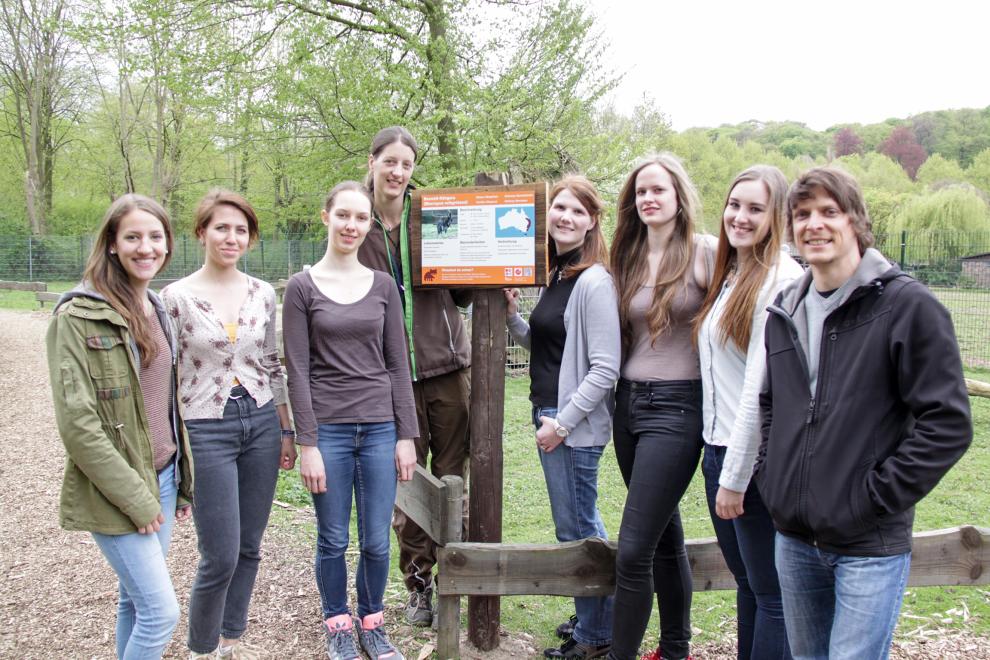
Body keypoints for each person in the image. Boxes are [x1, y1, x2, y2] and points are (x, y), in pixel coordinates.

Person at [755, 167, 972, 659]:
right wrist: (772, 474)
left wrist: (873, 497)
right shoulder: (784, 311)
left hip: (867, 544)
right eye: (803, 214)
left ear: (856, 221)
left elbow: (947, 423)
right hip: (793, 539)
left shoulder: (907, 306)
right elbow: (773, 404)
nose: (815, 224)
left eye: (829, 212)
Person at [45, 194, 194, 659]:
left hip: (164, 478)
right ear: (112, 243)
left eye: (155, 237)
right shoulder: (76, 317)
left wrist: (181, 481)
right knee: (161, 612)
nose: (145, 247)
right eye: (132, 237)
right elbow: (78, 425)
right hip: (119, 488)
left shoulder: (158, 307)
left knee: (136, 600)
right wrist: (135, 497)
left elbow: (167, 404)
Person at [282, 181, 419, 660]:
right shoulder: (301, 288)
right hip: (331, 431)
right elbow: (296, 371)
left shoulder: (383, 286)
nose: (351, 225)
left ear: (368, 225)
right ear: (326, 217)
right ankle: (338, 622)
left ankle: (372, 622)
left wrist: (406, 434)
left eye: (361, 218)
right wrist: (308, 443)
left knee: (377, 540)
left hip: (380, 428)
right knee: (334, 538)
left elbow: (398, 364)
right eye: (343, 215)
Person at [161, 190, 296, 659]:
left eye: (241, 230)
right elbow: (164, 374)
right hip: (205, 428)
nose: (231, 237)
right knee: (219, 554)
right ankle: (202, 648)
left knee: (251, 546)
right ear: (202, 232)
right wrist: (170, 446)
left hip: (259, 421)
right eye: (221, 227)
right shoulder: (174, 298)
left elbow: (272, 363)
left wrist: (286, 429)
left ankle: (230, 638)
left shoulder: (262, 292)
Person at [356, 126, 471, 627]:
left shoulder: (435, 215)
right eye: (390, 162)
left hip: (446, 366)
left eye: (406, 163)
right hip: (390, 374)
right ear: (373, 162)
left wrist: (490, 286)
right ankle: (418, 584)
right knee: (409, 480)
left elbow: (463, 291)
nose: (398, 172)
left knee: (452, 476)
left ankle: (458, 576)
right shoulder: (355, 220)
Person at [504, 176, 620, 659]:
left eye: (576, 210)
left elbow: (604, 367)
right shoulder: (560, 274)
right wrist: (513, 318)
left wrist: (563, 424)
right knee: (576, 524)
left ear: (593, 221)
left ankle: (596, 637)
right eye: (558, 208)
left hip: (570, 424)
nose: (564, 217)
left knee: (578, 530)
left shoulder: (594, 280)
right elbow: (551, 347)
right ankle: (591, 616)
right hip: (550, 413)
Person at [606, 153, 715, 660]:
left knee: (632, 551)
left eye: (658, 190)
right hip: (627, 409)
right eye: (640, 192)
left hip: (677, 411)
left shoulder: (705, 253)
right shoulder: (624, 257)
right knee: (664, 534)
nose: (648, 199)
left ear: (678, 197)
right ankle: (675, 650)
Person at [693, 166, 802, 660]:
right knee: (750, 584)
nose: (739, 216)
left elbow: (763, 389)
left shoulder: (780, 279)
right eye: (734, 204)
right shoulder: (733, 271)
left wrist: (734, 477)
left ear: (777, 215)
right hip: (718, 452)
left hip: (754, 462)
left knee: (773, 594)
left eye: (755, 208)